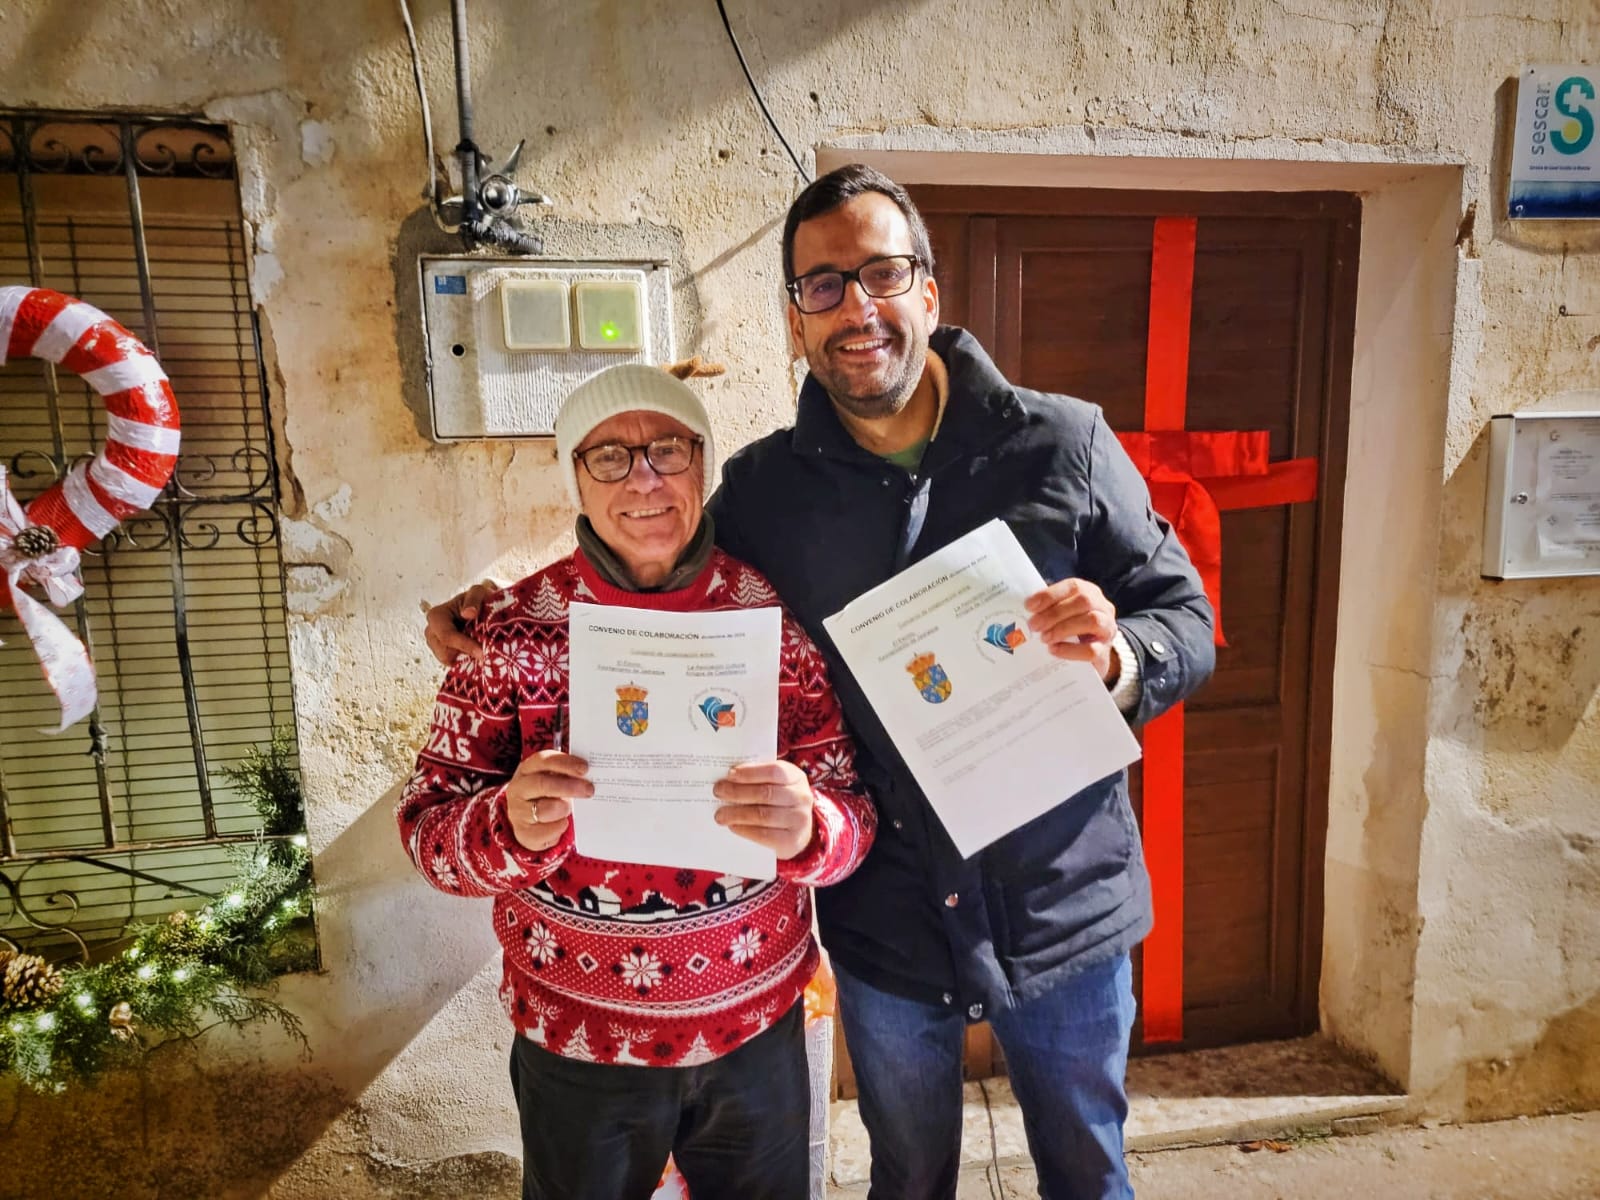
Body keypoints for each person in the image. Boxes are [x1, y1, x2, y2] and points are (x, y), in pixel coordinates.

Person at [428, 164, 1214, 1200]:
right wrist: (503, 604)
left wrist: (1116, 659)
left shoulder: (1061, 443)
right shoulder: (765, 490)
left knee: (1089, 1176)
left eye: (881, 273)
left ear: (927, 288)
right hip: (888, 922)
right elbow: (661, 560)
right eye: (822, 285)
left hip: (1059, 900)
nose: (856, 307)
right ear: (795, 319)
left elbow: (1185, 622)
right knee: (906, 1179)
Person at [400, 362, 875, 1200]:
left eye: (668, 449)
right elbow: (426, 832)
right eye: (609, 457)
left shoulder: (770, 620)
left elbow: (852, 817)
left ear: (701, 462)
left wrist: (813, 829)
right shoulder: (509, 635)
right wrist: (506, 826)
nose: (645, 479)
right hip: (578, 1043)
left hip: (755, 1032)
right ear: (575, 480)